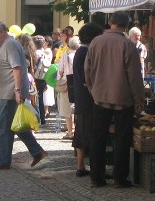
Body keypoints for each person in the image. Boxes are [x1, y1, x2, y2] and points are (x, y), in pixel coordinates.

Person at [84, 12, 144, 188]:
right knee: (122, 139)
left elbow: (87, 71)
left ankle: (96, 177)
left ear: (110, 22)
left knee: (98, 138)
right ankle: (120, 177)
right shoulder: (128, 45)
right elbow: (134, 76)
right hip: (123, 99)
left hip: (100, 97)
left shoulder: (96, 42)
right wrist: (139, 99)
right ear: (125, 26)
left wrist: (93, 89)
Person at [0, 21, 47, 170]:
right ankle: (37, 151)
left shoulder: (10, 44)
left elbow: (17, 68)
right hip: (7, 92)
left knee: (4, 128)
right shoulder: (7, 44)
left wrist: (17, 90)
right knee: (16, 126)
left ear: (2, 32)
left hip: (10, 93)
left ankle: (3, 160)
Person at [72, 23, 104, 177]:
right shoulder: (86, 52)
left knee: (81, 133)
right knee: (88, 134)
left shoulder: (80, 51)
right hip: (88, 99)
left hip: (81, 99)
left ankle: (81, 166)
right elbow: (88, 78)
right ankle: (89, 168)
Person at [56, 37, 79, 139]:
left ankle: (70, 131)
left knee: (67, 109)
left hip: (67, 83)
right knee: (77, 109)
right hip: (79, 84)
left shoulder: (66, 55)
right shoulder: (82, 54)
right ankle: (77, 130)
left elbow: (60, 71)